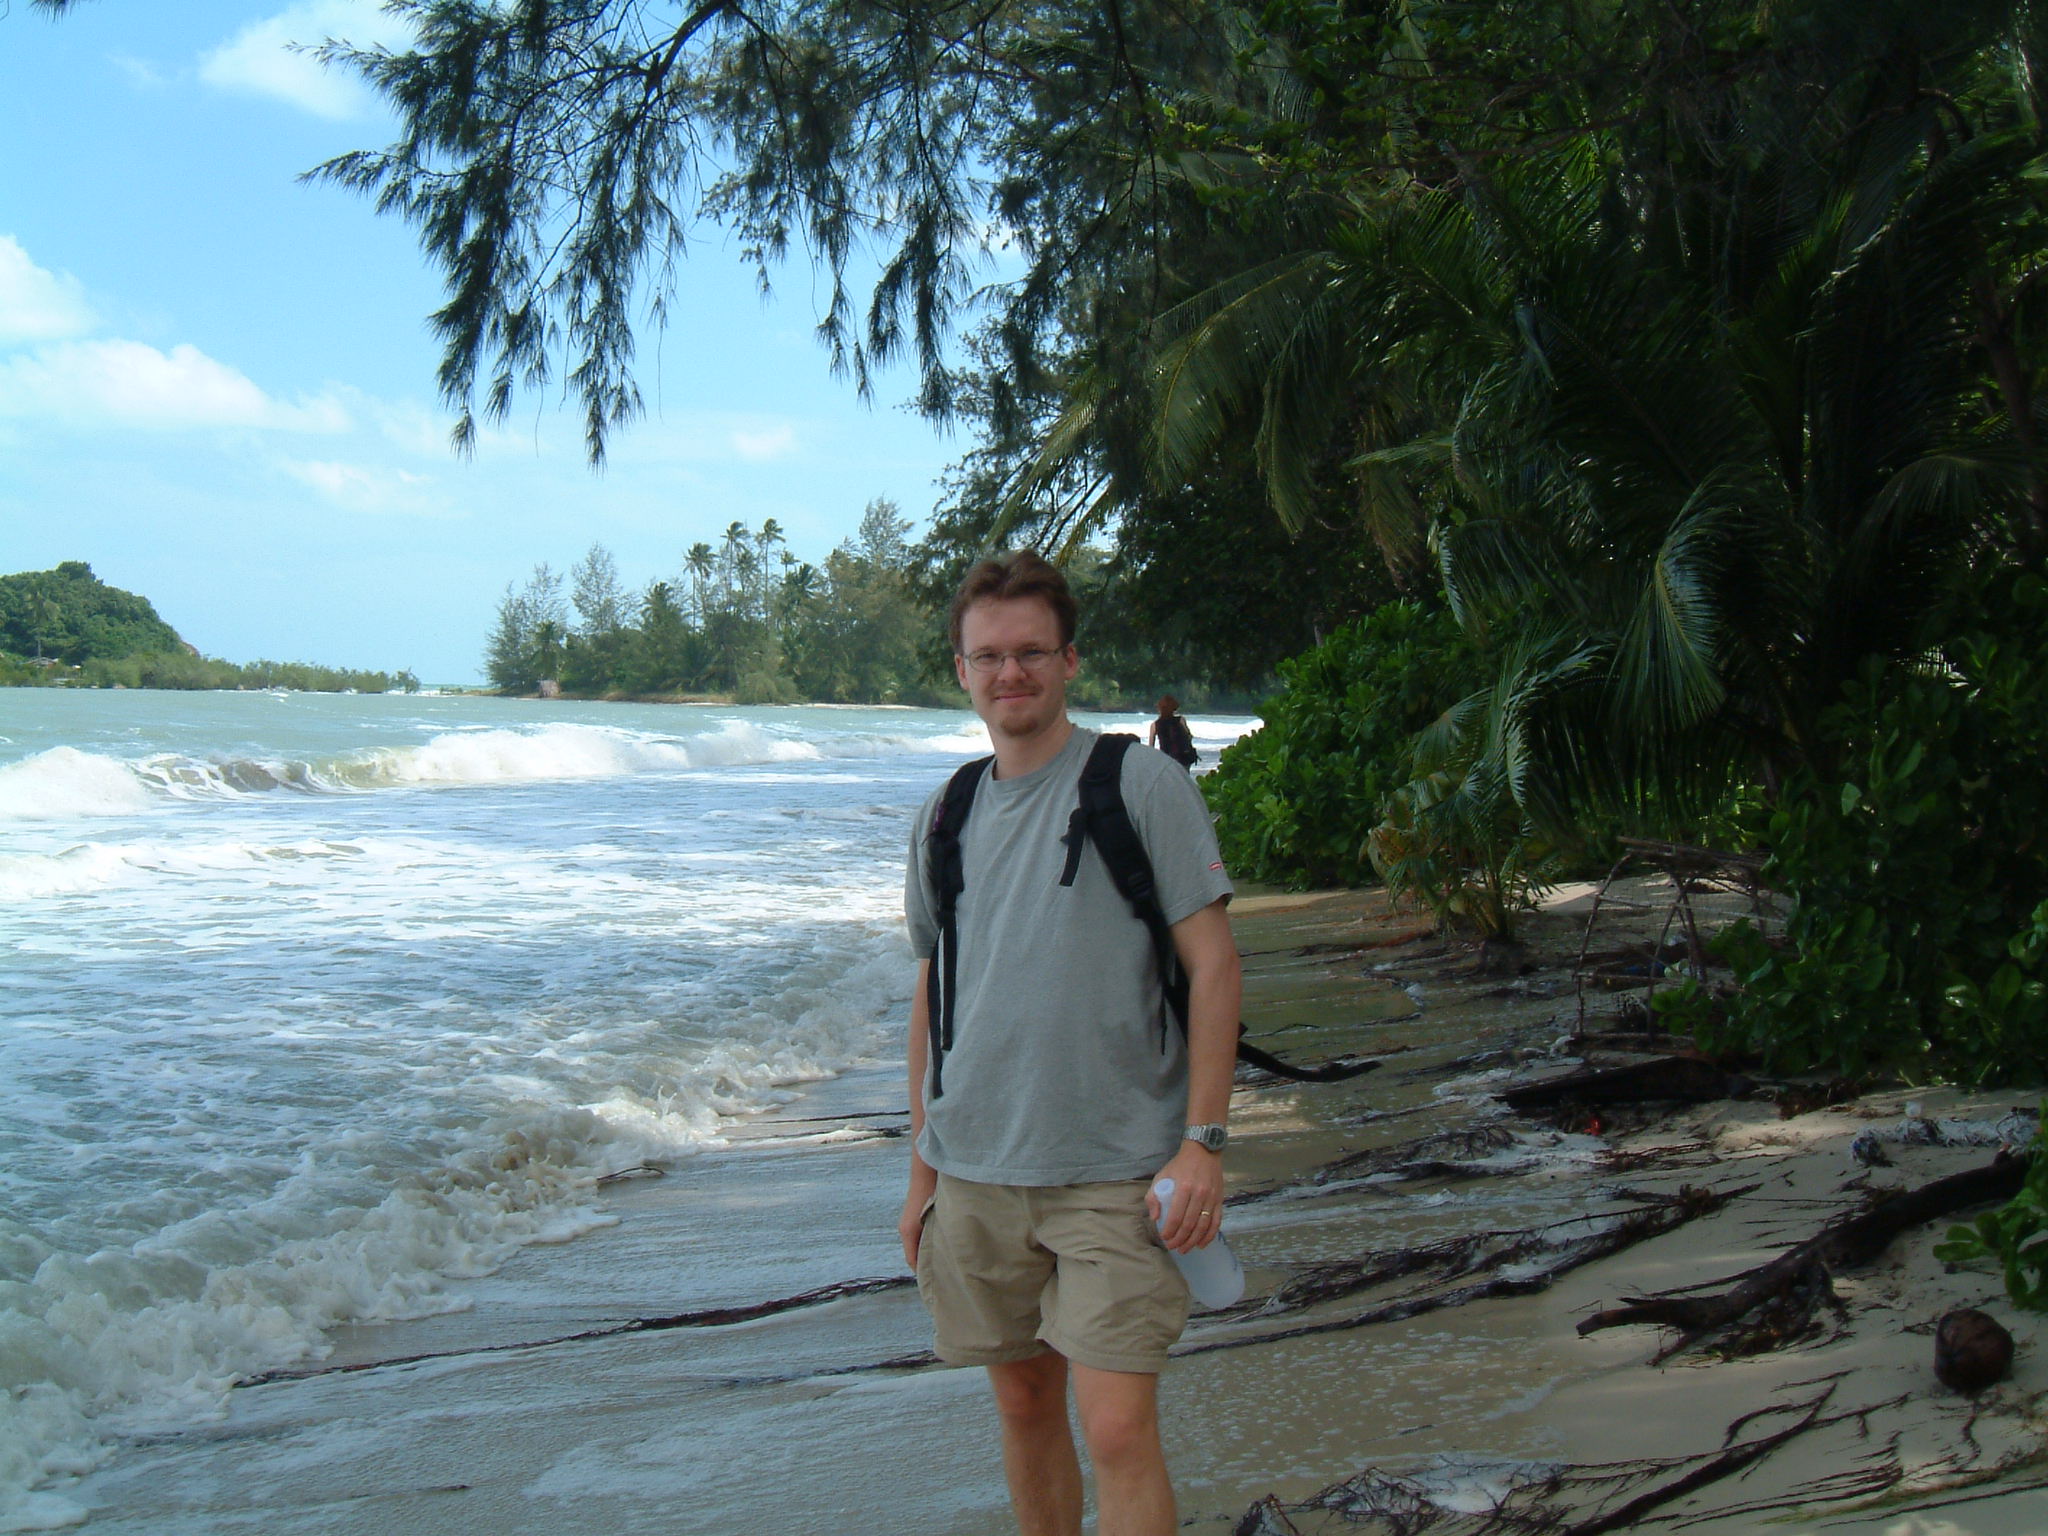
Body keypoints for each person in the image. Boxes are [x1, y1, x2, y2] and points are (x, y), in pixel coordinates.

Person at [900, 550, 1242, 1536]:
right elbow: (934, 992)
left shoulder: (1139, 785)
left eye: (1031, 653)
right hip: (975, 1172)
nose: (1010, 673)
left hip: (1118, 1170)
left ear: (1069, 661)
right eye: (988, 656)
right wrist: (921, 1174)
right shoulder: (944, 814)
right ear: (962, 670)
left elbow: (1215, 966)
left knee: (1119, 1427)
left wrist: (1203, 1143)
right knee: (1021, 1406)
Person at [1146, 695, 1198, 769]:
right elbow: (1189, 736)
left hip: (1166, 759)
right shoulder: (1181, 720)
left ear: (1160, 709)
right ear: (1174, 709)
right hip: (1183, 758)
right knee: (1183, 775)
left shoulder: (1155, 725)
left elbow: (1151, 747)